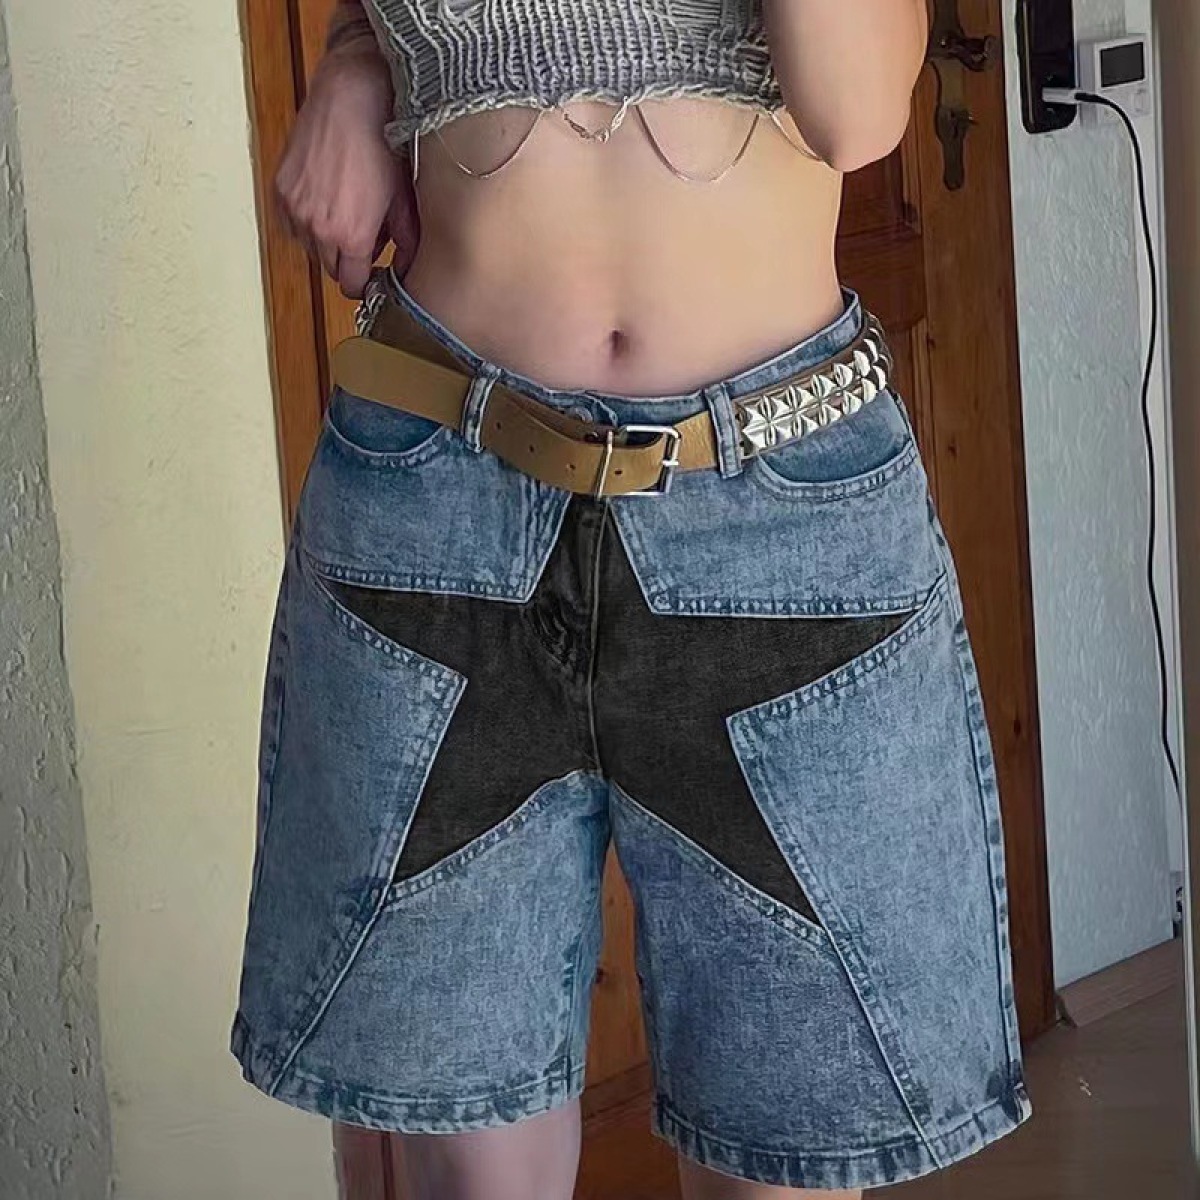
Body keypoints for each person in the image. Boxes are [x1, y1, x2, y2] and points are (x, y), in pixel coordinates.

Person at [230, 3, 1034, 1198]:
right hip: (442, 489)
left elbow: (856, 110)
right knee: (465, 1156)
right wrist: (357, 58)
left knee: (785, 1159)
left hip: (773, 522)